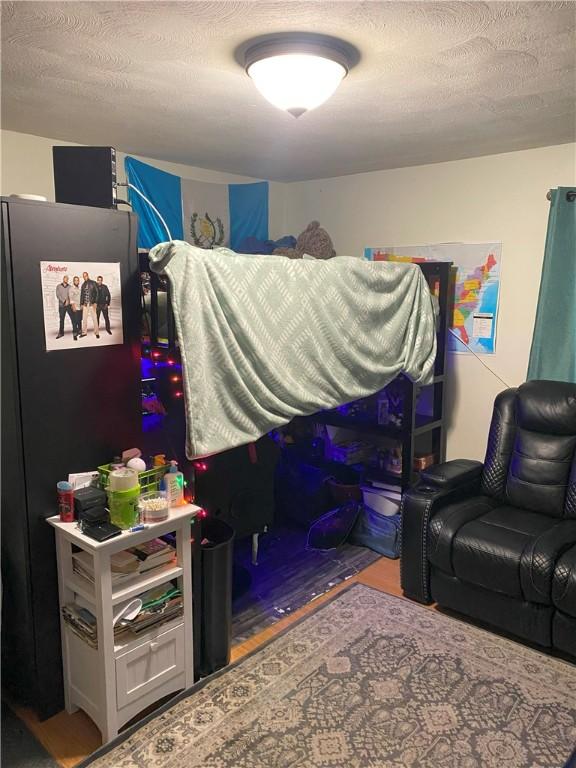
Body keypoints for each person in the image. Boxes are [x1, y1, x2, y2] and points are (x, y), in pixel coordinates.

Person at [80, 271, 99, 338]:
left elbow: (97, 293)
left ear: (88, 275)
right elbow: (82, 295)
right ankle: (84, 333)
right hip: (85, 304)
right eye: (83, 276)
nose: (84, 277)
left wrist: (95, 302)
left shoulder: (93, 283)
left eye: (85, 275)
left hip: (92, 303)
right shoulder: (83, 285)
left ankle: (96, 332)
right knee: (84, 319)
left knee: (94, 318)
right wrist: (81, 304)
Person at [68, 275, 82, 341]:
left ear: (78, 281)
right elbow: (71, 298)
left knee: (79, 320)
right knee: (75, 321)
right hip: (75, 307)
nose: (76, 281)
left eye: (77, 280)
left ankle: (79, 331)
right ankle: (74, 334)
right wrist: (73, 306)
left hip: (80, 307)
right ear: (73, 281)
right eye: (75, 280)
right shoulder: (71, 288)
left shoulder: (79, 288)